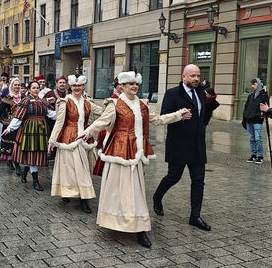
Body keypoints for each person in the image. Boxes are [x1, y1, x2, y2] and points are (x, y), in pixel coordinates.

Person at [81, 71, 191, 248]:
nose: (134, 87)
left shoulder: (142, 105)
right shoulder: (115, 104)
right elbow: (101, 122)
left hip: (137, 153)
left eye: (136, 84)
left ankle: (139, 228)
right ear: (122, 86)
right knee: (117, 189)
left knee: (136, 191)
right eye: (130, 84)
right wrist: (87, 133)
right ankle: (114, 221)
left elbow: (158, 120)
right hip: (118, 152)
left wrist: (178, 115)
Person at [152, 64, 212, 232]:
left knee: (198, 181)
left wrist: (212, 103)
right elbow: (163, 116)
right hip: (179, 144)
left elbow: (203, 118)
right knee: (173, 176)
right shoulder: (172, 94)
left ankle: (195, 216)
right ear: (184, 76)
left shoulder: (200, 92)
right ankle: (157, 197)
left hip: (198, 145)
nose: (196, 79)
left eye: (198, 76)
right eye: (192, 76)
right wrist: (179, 115)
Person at [48, 75, 104, 213]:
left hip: (85, 139)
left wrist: (115, 106)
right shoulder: (64, 102)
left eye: (79, 86)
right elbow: (60, 122)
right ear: (70, 87)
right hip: (70, 139)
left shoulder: (88, 102)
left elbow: (103, 112)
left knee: (84, 169)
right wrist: (52, 140)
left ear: (83, 86)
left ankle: (81, 197)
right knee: (70, 170)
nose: (77, 88)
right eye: (74, 86)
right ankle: (79, 198)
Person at [2, 80, 56, 191]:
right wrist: (10, 128)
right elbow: (18, 117)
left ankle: (25, 173)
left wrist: (63, 111)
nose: (36, 89)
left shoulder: (43, 101)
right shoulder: (25, 101)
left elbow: (51, 114)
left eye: (37, 88)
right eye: (34, 87)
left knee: (36, 154)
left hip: (41, 130)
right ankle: (35, 182)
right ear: (29, 89)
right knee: (32, 153)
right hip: (29, 130)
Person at [242, 78, 269, 164]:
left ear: (259, 84)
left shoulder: (263, 96)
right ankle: (253, 155)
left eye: (254, 84)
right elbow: (246, 107)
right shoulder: (251, 96)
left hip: (257, 120)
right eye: (252, 84)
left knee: (258, 138)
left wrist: (259, 115)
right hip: (249, 119)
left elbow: (265, 107)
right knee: (252, 138)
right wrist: (246, 116)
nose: (253, 86)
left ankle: (260, 156)